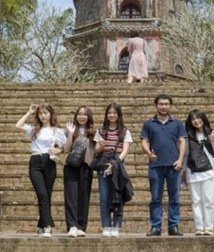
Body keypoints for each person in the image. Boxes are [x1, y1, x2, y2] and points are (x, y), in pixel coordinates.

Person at [15, 103, 66, 237]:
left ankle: (42, 225)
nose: (43, 116)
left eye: (45, 113)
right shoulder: (34, 129)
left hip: (49, 162)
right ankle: (48, 226)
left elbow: (66, 147)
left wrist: (58, 150)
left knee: (47, 195)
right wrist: (29, 112)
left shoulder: (57, 131)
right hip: (35, 161)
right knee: (42, 194)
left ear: (50, 114)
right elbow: (18, 126)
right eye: (41, 113)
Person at [140, 93, 187, 236]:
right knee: (155, 197)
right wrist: (149, 153)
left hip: (173, 164)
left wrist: (180, 160)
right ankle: (156, 226)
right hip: (156, 165)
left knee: (175, 197)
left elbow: (182, 141)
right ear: (156, 106)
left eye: (166, 104)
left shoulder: (177, 123)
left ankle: (174, 226)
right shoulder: (149, 123)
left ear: (170, 105)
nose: (164, 106)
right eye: (161, 104)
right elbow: (144, 141)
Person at [94, 103, 133, 237]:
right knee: (104, 196)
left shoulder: (124, 131)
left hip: (118, 164)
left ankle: (116, 225)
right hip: (103, 162)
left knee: (118, 195)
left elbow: (125, 150)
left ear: (118, 115)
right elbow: (96, 150)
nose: (112, 115)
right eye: (109, 113)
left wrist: (115, 163)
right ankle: (106, 226)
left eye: (114, 113)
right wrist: (101, 145)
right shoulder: (100, 131)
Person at [183, 109, 214, 235]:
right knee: (196, 201)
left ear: (203, 119)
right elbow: (185, 154)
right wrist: (184, 171)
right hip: (193, 171)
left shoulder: (211, 133)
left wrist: (212, 141)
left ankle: (209, 227)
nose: (196, 121)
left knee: (208, 200)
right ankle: (199, 227)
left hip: (208, 171)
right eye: (193, 119)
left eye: (198, 118)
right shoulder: (188, 135)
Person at [62, 106, 95, 238]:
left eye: (85, 114)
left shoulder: (94, 131)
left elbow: (95, 150)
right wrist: (70, 133)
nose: (82, 117)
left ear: (89, 116)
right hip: (71, 166)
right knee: (71, 197)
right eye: (79, 114)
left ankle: (81, 226)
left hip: (86, 166)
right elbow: (66, 148)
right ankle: (72, 226)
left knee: (84, 197)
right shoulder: (70, 130)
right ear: (76, 116)